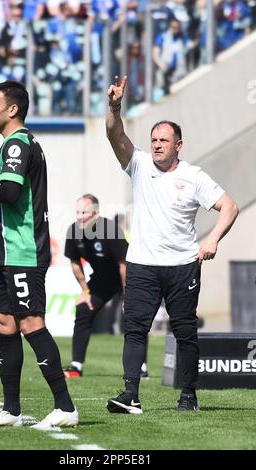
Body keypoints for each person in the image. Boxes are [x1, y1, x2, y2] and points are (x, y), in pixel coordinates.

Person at [106, 75, 239, 414]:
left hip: (182, 267)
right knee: (135, 329)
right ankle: (130, 395)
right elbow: (114, 133)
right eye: (153, 140)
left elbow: (230, 207)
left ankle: (188, 397)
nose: (157, 145)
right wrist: (114, 106)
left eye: (164, 140)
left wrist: (212, 239)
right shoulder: (137, 163)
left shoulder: (193, 176)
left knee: (184, 333)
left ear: (179, 144)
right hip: (143, 265)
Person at [0, 80, 78, 428]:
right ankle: (11, 411)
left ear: (13, 109)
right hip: (7, 254)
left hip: (23, 251)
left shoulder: (17, 144)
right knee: (6, 324)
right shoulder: (11, 145)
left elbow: (10, 193)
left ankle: (65, 407)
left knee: (31, 323)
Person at [63, 194, 132, 378]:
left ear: (96, 213)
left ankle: (140, 368)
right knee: (84, 309)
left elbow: (123, 265)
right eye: (77, 212)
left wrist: (127, 296)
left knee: (133, 316)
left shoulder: (110, 229)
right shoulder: (73, 231)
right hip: (102, 280)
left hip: (126, 276)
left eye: (84, 212)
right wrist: (85, 291)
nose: (80, 216)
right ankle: (76, 367)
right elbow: (75, 262)